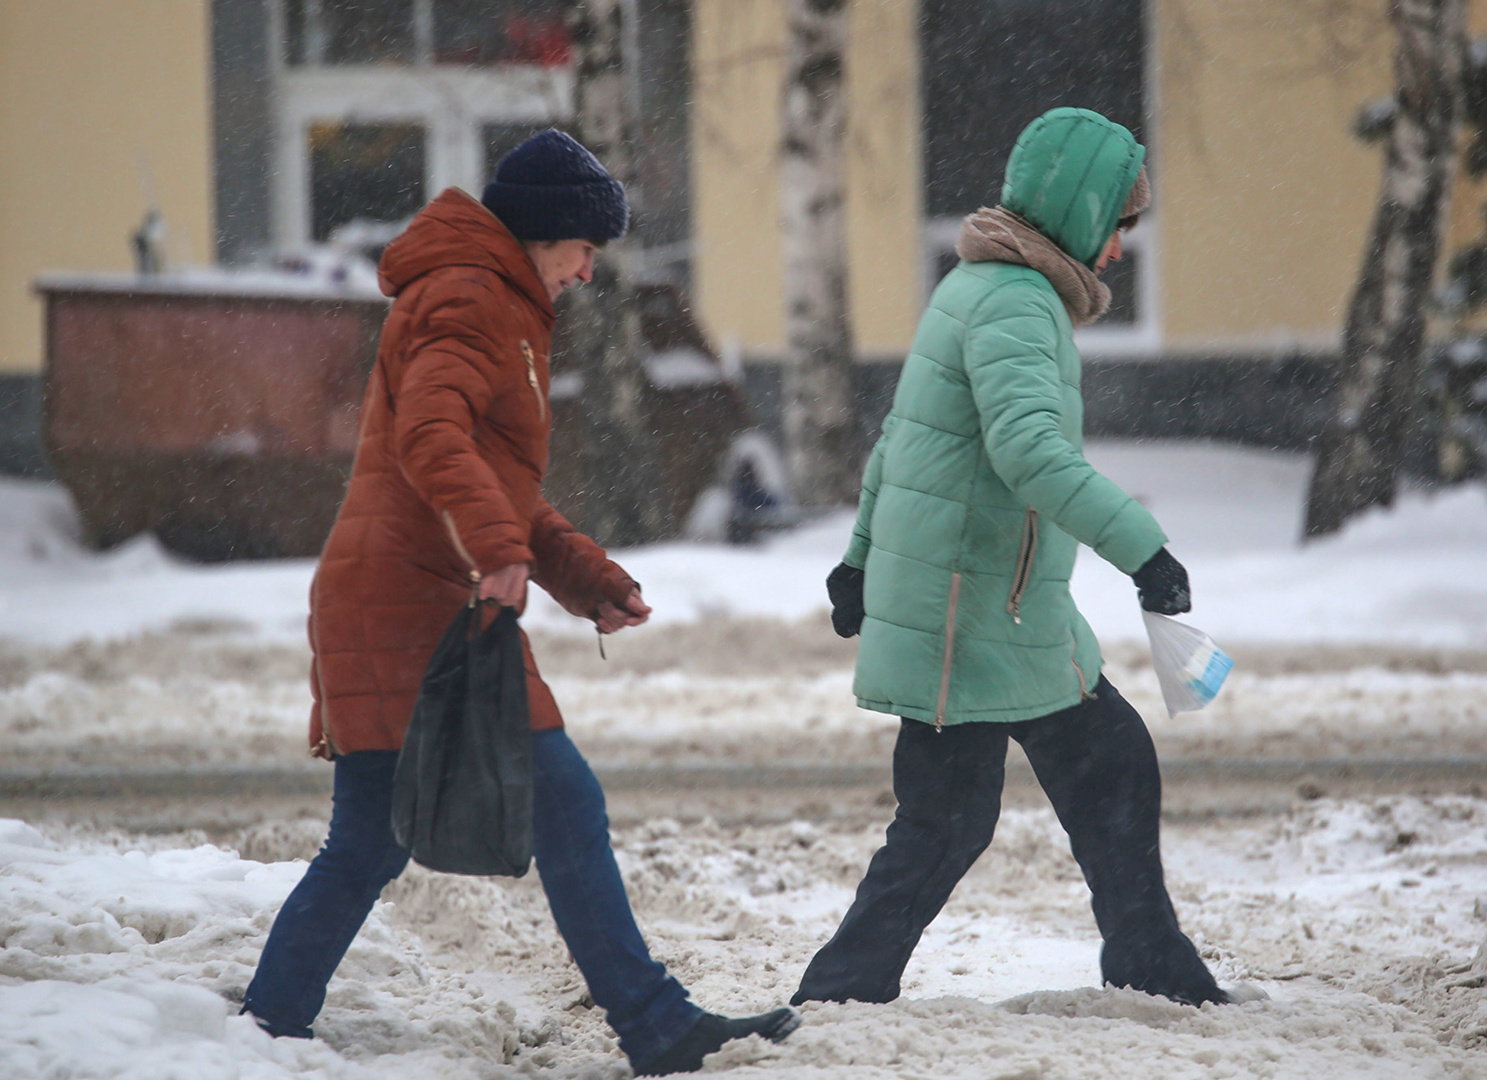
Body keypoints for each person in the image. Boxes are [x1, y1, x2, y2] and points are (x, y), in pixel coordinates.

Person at [241, 129, 798, 1076]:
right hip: (411, 599)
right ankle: (657, 1028)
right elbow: (431, 434)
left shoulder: (495, 300)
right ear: (545, 235)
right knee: (563, 803)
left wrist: (586, 578)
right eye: (585, 249)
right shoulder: (470, 298)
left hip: (406, 591)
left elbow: (496, 478)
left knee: (371, 839)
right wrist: (497, 552)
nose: (588, 271)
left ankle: (261, 1027)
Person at [791, 107, 1231, 1009]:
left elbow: (901, 442)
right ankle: (837, 995)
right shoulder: (1017, 305)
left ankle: (1146, 957)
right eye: (1117, 224)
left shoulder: (975, 288)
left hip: (1006, 603)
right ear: (1078, 211)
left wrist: (861, 558)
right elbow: (1031, 454)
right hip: (976, 613)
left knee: (1106, 762)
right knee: (947, 823)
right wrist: (1142, 550)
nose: (1117, 249)